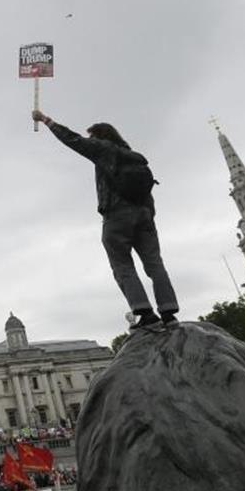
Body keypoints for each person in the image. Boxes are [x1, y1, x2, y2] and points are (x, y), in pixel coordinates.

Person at [32, 110, 179, 329]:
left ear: (99, 137)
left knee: (122, 264)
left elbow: (73, 140)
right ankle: (169, 312)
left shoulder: (103, 149)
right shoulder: (134, 157)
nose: (89, 140)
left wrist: (46, 120)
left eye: (92, 136)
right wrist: (147, 217)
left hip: (117, 215)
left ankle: (144, 312)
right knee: (155, 263)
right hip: (145, 215)